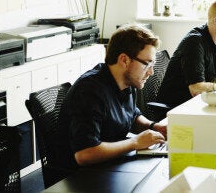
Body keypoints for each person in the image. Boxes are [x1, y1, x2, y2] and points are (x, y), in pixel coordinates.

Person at [58, 24, 167, 169]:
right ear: (124, 60)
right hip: (83, 177)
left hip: (112, 164)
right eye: (147, 64)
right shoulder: (89, 91)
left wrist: (154, 126)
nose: (151, 72)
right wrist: (135, 142)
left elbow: (131, 115)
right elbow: (84, 154)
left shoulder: (128, 81)